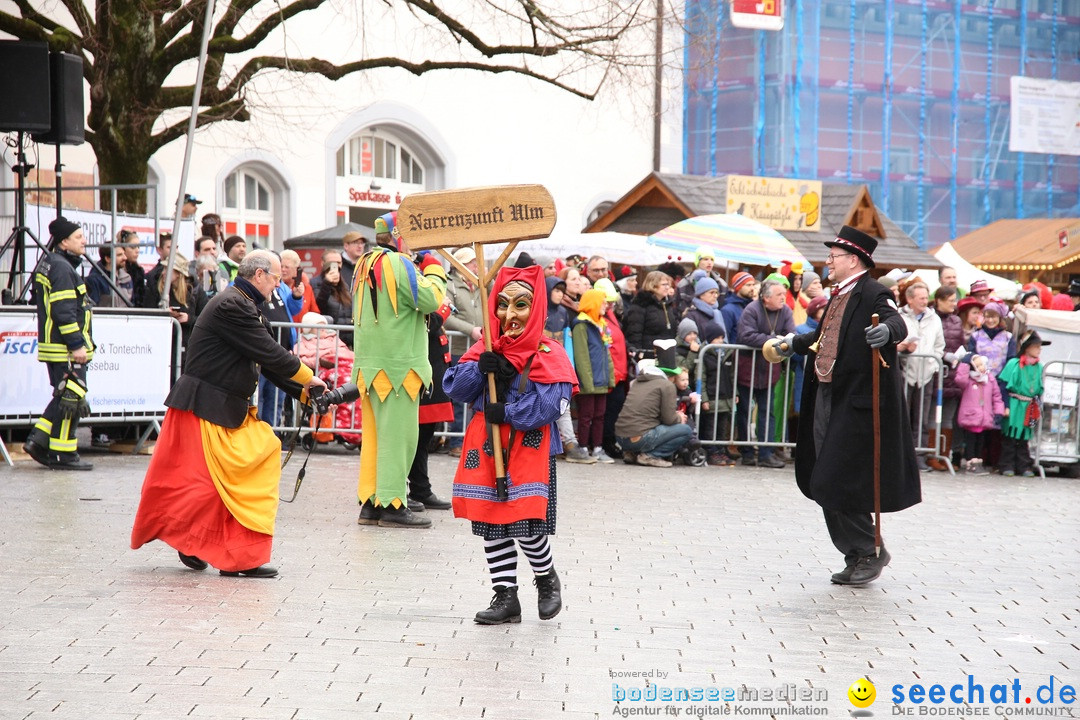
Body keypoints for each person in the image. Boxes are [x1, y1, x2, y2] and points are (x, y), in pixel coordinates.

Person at [130, 250, 327, 578]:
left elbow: (264, 362)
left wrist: (306, 392)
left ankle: (230, 552)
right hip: (204, 407)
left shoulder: (245, 304)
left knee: (226, 479)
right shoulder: (232, 305)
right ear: (259, 275)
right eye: (277, 277)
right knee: (207, 486)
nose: (281, 284)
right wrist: (308, 377)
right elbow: (269, 352)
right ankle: (214, 548)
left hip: (218, 407)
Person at [778, 225, 920, 586]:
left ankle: (869, 550)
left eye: (834, 256)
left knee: (833, 478)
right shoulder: (838, 294)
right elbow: (826, 338)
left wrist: (887, 333)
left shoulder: (874, 292)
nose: (828, 261)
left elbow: (897, 323)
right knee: (824, 478)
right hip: (827, 394)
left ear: (853, 259)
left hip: (856, 403)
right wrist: (793, 342)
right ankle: (857, 553)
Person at [443, 265, 576, 625]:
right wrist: (483, 365)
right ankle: (505, 595)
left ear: (536, 309)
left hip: (528, 446)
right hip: (488, 448)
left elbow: (552, 405)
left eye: (521, 305)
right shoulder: (486, 346)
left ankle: (546, 578)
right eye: (502, 305)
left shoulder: (550, 352)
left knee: (526, 521)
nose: (510, 315)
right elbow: (456, 389)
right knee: (491, 521)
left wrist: (510, 411)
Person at [352, 211, 447, 529]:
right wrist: (434, 269)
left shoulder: (365, 262)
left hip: (372, 367)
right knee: (398, 439)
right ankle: (393, 503)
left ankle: (372, 503)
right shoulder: (399, 264)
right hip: (398, 369)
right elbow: (431, 300)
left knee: (375, 439)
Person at [22, 217, 96, 471]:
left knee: (66, 397)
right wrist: (77, 345)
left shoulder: (53, 264)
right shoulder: (62, 268)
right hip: (64, 349)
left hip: (57, 347)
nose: (83, 241)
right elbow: (64, 313)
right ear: (64, 241)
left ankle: (38, 441)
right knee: (70, 399)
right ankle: (63, 454)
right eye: (78, 237)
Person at [734, 277, 795, 469]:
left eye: (784, 294)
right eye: (779, 294)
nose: (783, 298)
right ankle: (747, 453)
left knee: (767, 413)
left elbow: (791, 335)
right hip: (748, 368)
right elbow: (745, 335)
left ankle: (766, 453)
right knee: (744, 411)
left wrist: (779, 341)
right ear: (766, 298)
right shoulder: (752, 309)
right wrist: (773, 340)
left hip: (770, 370)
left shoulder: (785, 311)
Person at [615, 349, 695, 468]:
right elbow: (669, 420)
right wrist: (679, 417)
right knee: (686, 430)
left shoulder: (637, 382)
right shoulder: (667, 385)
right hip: (639, 438)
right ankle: (650, 455)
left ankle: (631, 452)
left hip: (621, 438)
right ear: (672, 376)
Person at [898, 281, 945, 470]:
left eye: (926, 297)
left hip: (926, 373)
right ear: (910, 299)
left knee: (922, 418)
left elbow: (939, 346)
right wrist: (903, 349)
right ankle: (901, 456)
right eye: (921, 298)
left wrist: (934, 364)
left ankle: (919, 456)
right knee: (903, 416)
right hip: (905, 371)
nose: (925, 301)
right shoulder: (900, 316)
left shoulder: (934, 319)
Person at [571, 288, 616, 463]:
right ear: (593, 303)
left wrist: (609, 378)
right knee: (586, 415)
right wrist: (587, 383)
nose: (606, 305)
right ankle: (582, 447)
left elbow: (607, 354)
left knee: (599, 415)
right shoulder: (581, 325)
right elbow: (582, 357)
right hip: (589, 382)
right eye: (603, 302)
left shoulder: (602, 324)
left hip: (601, 381)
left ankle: (597, 448)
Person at [997, 330, 1047, 477]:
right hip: (1014, 403)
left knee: (1024, 438)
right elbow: (1003, 385)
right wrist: (1005, 406)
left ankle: (1023, 465)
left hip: (1029, 406)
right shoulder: (1014, 363)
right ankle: (1007, 464)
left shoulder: (1040, 367)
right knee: (1010, 436)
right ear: (1027, 347)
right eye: (1037, 346)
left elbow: (1038, 390)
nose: (1039, 349)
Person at [954, 355, 1005, 475]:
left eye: (981, 364)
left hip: (984, 418)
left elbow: (996, 397)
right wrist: (964, 364)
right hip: (971, 417)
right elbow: (959, 379)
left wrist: (998, 412)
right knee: (970, 441)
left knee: (980, 441)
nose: (980, 368)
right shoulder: (968, 380)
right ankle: (970, 462)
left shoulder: (990, 379)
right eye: (977, 366)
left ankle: (978, 462)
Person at [623, 270, 677, 357]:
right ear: (652, 286)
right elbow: (634, 333)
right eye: (664, 284)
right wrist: (638, 352)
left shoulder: (668, 305)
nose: (667, 287)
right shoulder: (640, 305)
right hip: (648, 355)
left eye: (668, 284)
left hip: (666, 354)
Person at [315, 254, 355, 345]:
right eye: (330, 272)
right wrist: (327, 283)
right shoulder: (319, 285)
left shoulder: (345, 288)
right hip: (332, 335)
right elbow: (320, 304)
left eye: (337, 271)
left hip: (349, 335)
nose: (334, 274)